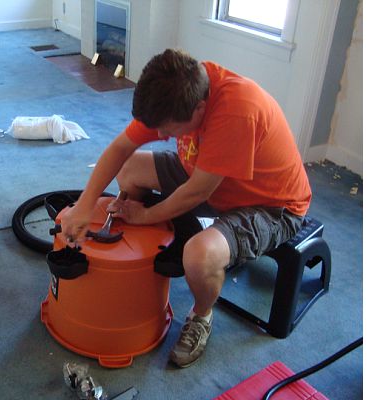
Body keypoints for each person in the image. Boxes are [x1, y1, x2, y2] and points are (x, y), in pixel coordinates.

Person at [60, 49, 312, 368]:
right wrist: (84, 205)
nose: (161, 136)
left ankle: (201, 316)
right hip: (207, 172)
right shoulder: (175, 90)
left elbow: (197, 192)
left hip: (270, 206)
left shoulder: (237, 111)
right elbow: (121, 148)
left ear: (199, 109)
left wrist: (146, 215)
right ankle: (145, 263)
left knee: (198, 255)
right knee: (129, 170)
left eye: (168, 130)